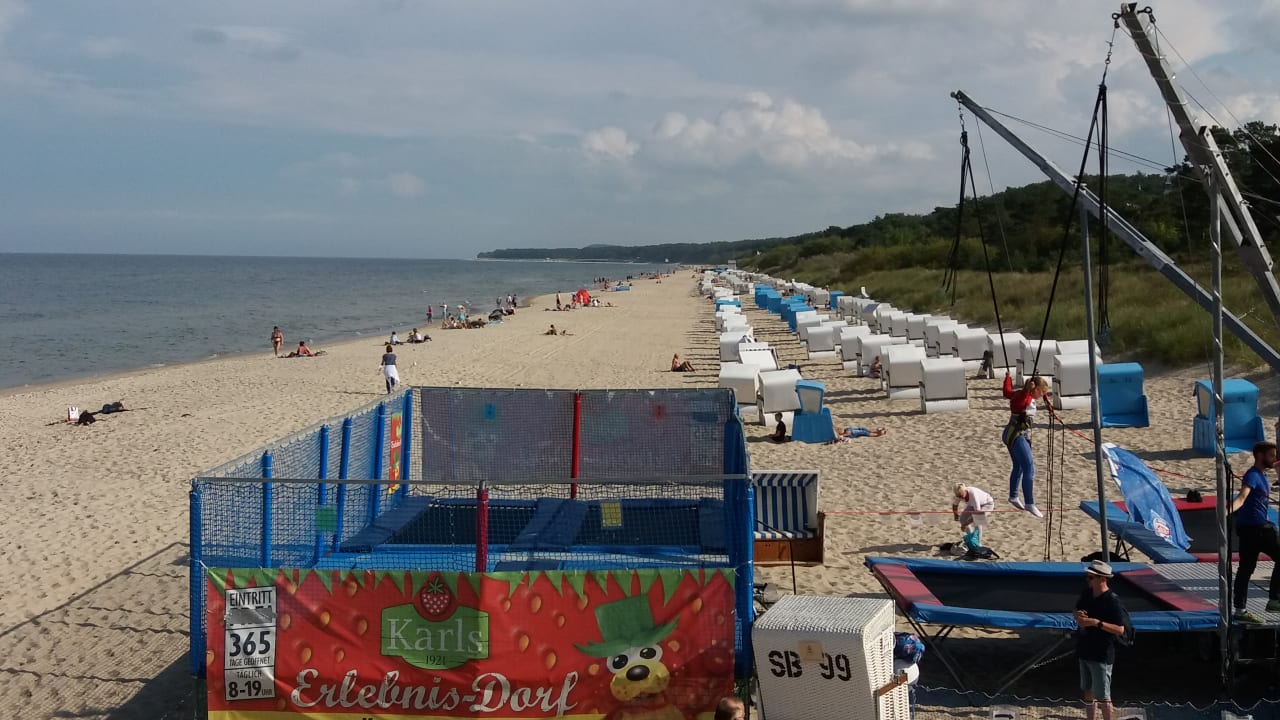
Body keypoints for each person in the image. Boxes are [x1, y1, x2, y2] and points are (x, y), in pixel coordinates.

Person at [1229, 440, 1280, 623]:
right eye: (1271, 455)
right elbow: (1242, 497)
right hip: (1257, 528)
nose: (1274, 459)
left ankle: (1240, 610)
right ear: (1260, 456)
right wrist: (1227, 509)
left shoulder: (1263, 475)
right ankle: (1274, 599)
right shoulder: (1252, 475)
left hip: (1247, 529)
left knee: (1245, 569)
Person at [1074, 560, 1131, 720]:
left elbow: (1120, 629)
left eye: (1091, 577)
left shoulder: (1112, 601)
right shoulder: (1087, 593)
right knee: (1087, 690)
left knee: (1104, 696)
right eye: (1088, 577)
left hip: (1101, 653)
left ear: (1102, 579)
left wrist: (1096, 623)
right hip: (1085, 648)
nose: (1088, 580)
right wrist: (1078, 615)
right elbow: (1076, 610)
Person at [1002, 373, 1050, 518]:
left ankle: (1013, 496)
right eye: (1042, 392)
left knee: (1019, 466)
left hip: (1013, 434)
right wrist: (1026, 390)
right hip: (1016, 435)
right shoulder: (1023, 396)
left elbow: (1007, 392)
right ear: (1034, 389)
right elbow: (1019, 399)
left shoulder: (1027, 396)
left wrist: (1008, 378)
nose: (1042, 395)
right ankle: (1029, 503)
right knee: (1029, 466)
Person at [952, 483, 996, 550]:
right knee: (962, 519)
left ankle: (978, 543)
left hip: (987, 504)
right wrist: (956, 515)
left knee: (978, 521)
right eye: (958, 496)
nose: (960, 498)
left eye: (961, 496)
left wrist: (965, 524)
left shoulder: (973, 495)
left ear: (965, 491)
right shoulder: (958, 494)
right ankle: (971, 539)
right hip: (973, 505)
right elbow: (955, 505)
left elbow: (977, 514)